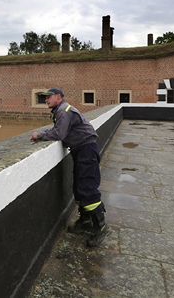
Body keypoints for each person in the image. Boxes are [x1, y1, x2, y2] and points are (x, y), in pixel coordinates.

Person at [30, 88, 109, 247]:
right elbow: (59, 130)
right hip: (81, 150)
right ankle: (85, 221)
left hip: (86, 150)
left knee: (87, 188)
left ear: (58, 97)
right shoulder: (61, 110)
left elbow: (59, 134)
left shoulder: (64, 111)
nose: (45, 100)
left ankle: (101, 227)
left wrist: (40, 135)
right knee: (79, 188)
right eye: (44, 98)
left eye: (48, 97)